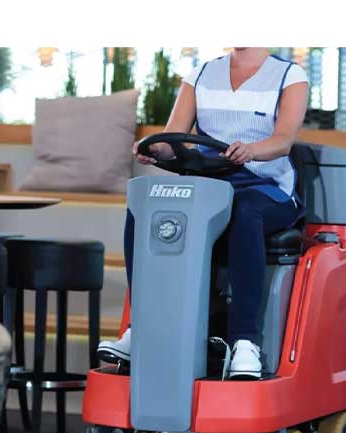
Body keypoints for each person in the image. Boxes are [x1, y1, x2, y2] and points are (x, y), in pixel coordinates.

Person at [98, 47, 309, 379]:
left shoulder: (289, 76)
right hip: (209, 187)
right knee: (145, 210)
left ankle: (245, 343)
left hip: (266, 187)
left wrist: (251, 150)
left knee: (245, 212)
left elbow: (283, 141)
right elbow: (172, 137)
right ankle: (142, 329)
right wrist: (154, 149)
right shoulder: (200, 75)